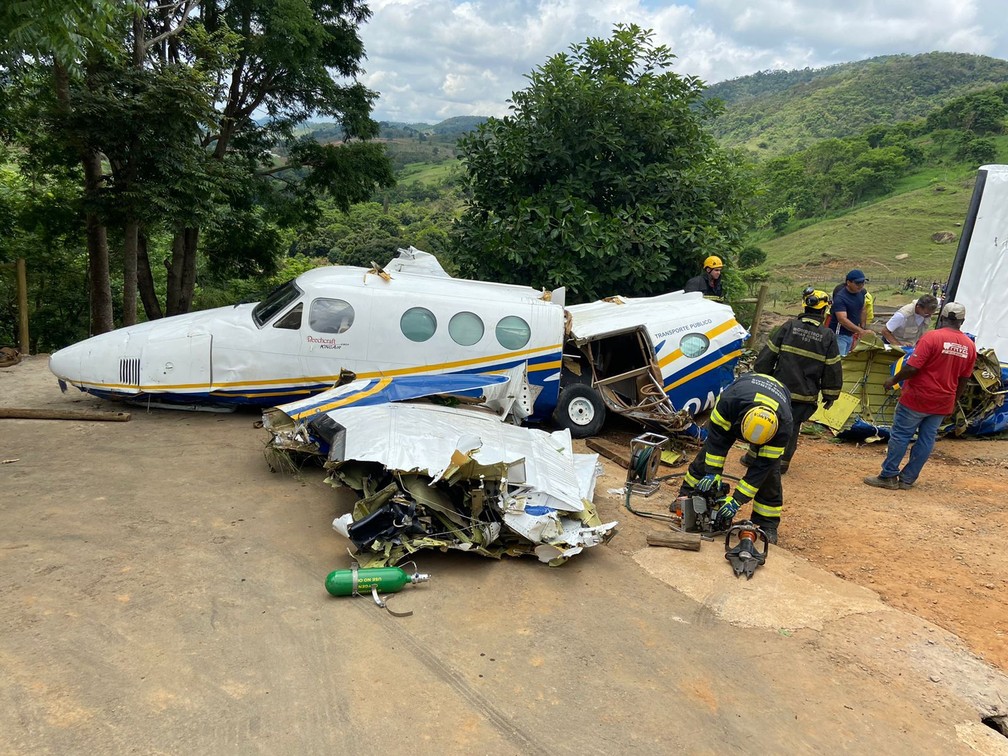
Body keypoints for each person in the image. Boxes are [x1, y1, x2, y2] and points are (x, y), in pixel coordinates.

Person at [863, 302, 977, 490]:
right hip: (943, 402)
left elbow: (912, 367)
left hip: (918, 397)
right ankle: (908, 479)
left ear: (942, 317)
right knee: (926, 439)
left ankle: (888, 476)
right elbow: (964, 379)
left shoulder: (931, 338)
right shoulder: (969, 346)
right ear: (962, 321)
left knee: (901, 435)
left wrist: (893, 380)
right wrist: (953, 401)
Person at [678, 372, 793, 543]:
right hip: (739, 401)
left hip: (778, 399)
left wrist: (737, 500)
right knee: (707, 455)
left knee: (770, 473)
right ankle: (686, 496)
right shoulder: (728, 402)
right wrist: (713, 473)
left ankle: (766, 523)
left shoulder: (784, 427)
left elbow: (761, 468)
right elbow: (717, 442)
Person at [747, 288, 842, 473]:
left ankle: (752, 457)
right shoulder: (828, 336)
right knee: (792, 428)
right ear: (824, 311)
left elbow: (769, 355)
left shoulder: (789, 327)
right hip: (804, 396)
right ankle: (781, 464)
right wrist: (830, 394)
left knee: (766, 419)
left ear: (804, 306)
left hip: (778, 392)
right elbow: (832, 368)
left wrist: (759, 375)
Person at [830, 269, 870, 356]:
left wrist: (863, 327)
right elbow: (842, 319)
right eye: (857, 283)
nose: (861, 286)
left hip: (851, 334)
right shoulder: (840, 298)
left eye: (863, 283)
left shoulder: (861, 293)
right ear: (848, 282)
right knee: (840, 361)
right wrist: (860, 331)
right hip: (839, 335)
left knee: (847, 359)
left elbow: (863, 309)